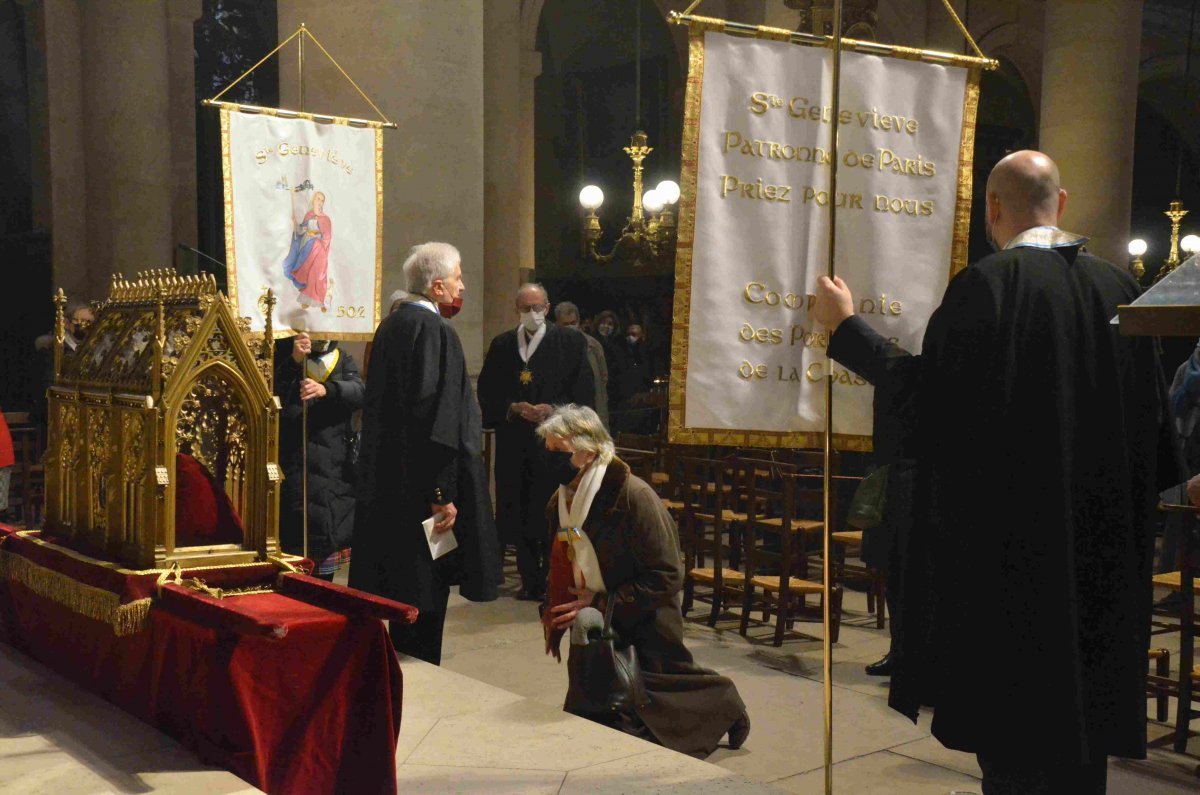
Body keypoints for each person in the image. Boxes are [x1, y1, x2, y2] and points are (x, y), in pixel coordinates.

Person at [812, 150, 1162, 793]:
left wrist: (847, 329)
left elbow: (927, 405)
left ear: (991, 211)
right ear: (1061, 204)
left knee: (1017, 751)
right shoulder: (1122, 289)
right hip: (1104, 565)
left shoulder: (988, 286)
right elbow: (1158, 443)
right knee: (1081, 753)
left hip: (1016, 563)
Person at [536, 404, 749, 757]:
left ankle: (727, 702)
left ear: (588, 451)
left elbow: (667, 574)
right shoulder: (557, 504)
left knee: (665, 686)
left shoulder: (634, 497)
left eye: (559, 451)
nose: (550, 459)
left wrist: (603, 602)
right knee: (610, 698)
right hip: (590, 613)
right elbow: (560, 562)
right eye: (548, 451)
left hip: (643, 613)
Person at [350, 242, 502, 664]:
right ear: (437, 287)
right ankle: (417, 672)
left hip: (390, 484)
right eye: (457, 278)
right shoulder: (436, 332)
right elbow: (438, 419)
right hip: (425, 488)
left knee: (400, 586)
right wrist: (442, 492)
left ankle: (399, 664)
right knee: (424, 588)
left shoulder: (390, 328)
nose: (462, 286)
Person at [477, 284, 594, 601]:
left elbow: (583, 393)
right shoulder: (502, 344)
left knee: (552, 509)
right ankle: (530, 578)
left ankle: (556, 577)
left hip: (555, 442)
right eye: (526, 308)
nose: (532, 313)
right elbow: (487, 391)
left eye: (538, 307)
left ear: (547, 307)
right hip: (515, 441)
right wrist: (512, 407)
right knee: (518, 506)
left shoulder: (569, 342)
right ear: (517, 309)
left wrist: (553, 410)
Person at [274, 332, 364, 580]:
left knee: (327, 549)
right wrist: (294, 362)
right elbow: (273, 396)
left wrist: (328, 389)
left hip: (335, 466)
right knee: (296, 550)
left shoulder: (341, 358)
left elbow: (360, 392)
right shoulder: (284, 359)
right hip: (296, 462)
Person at [554, 301, 609, 428]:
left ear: (578, 322)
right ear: (557, 324)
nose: (570, 327)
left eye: (573, 323)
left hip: (589, 411)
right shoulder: (551, 345)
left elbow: (602, 382)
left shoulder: (593, 346)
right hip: (561, 412)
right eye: (565, 324)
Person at [286, 191, 332, 309]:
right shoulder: (309, 215)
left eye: (322, 200)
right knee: (309, 272)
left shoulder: (325, 219)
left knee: (318, 274)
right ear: (313, 200)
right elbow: (301, 231)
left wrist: (318, 239)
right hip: (308, 248)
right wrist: (295, 223)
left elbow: (327, 237)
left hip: (320, 249)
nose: (320, 202)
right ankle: (307, 300)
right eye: (318, 199)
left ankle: (321, 300)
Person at [610, 322, 655, 434]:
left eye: (634, 334)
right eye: (629, 334)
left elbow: (648, 375)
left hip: (641, 401)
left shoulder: (647, 354)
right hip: (624, 401)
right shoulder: (621, 352)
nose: (631, 337)